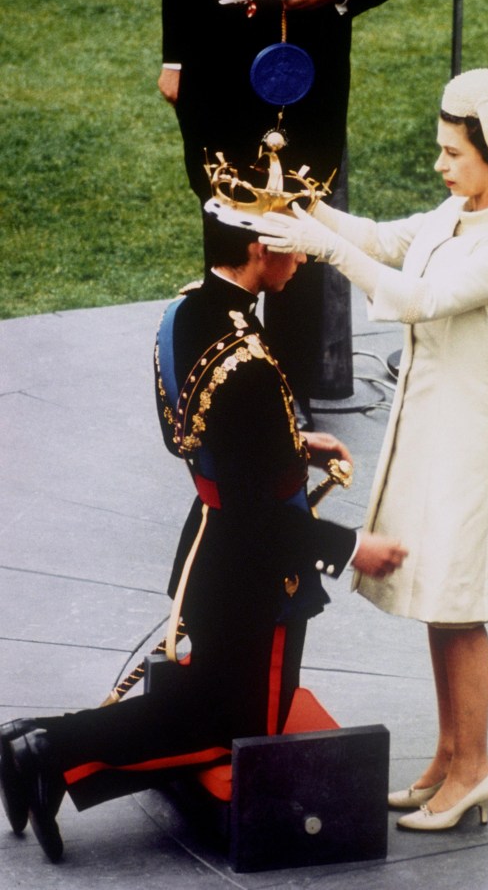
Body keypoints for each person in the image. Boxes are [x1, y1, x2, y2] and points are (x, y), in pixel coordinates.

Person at [0, 211, 407, 863]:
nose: (300, 263)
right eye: (292, 251)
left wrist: (292, 447)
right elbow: (263, 515)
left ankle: (39, 746)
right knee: (240, 723)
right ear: (256, 250)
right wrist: (354, 547)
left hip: (209, 549)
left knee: (210, 699)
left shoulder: (185, 314)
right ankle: (48, 748)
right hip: (258, 573)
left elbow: (211, 440)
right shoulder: (247, 358)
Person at [258, 68, 488, 831]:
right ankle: (449, 759)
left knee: (462, 604)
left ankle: (475, 767)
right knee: (438, 603)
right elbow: (389, 241)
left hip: (476, 434)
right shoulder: (465, 207)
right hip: (436, 421)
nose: (441, 166)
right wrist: (313, 211)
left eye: (453, 153)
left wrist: (316, 243)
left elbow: (415, 299)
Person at [157, 0, 425, 425]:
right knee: (227, 222)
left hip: (307, 70)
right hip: (216, 64)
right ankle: (220, 382)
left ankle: (288, 396)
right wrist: (174, 57)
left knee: (301, 229)